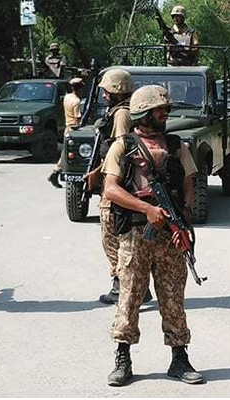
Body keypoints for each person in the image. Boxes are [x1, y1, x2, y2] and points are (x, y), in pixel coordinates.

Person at [102, 85, 203, 387]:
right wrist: (146, 209)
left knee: (173, 297)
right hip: (136, 235)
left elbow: (189, 178)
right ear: (144, 112)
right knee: (130, 295)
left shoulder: (176, 145)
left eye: (166, 109)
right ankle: (123, 357)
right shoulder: (123, 146)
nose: (166, 114)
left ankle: (179, 358)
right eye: (161, 110)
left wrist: (183, 214)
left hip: (170, 235)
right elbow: (110, 189)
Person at [87, 68, 152, 305]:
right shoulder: (120, 111)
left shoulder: (122, 115)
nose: (103, 95)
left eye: (106, 91)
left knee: (111, 235)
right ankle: (133, 285)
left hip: (116, 182)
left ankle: (122, 285)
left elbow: (122, 149)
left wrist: (98, 173)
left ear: (115, 91)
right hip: (114, 177)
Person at [48, 77, 84, 188]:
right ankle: (57, 172)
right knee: (71, 154)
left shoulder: (67, 97)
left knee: (65, 152)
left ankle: (56, 172)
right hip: (74, 129)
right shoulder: (76, 101)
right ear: (80, 88)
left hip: (67, 128)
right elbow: (78, 119)